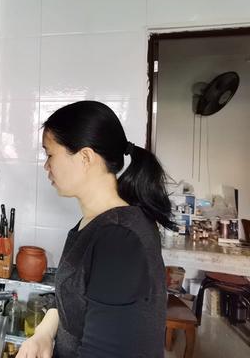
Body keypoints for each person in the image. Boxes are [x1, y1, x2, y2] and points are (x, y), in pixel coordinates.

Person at [17, 101, 173, 358]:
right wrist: (44, 333)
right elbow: (74, 296)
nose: (46, 166)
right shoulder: (98, 223)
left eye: (50, 154)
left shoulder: (119, 241)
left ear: (85, 157)